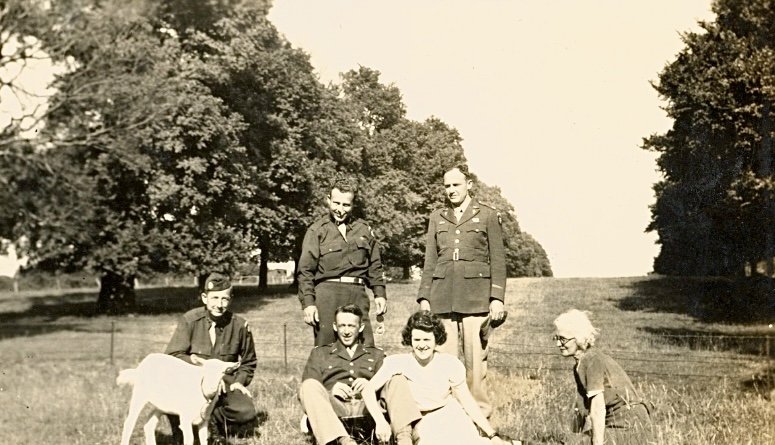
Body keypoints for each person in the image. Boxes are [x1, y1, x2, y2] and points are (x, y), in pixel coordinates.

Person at [417, 164, 507, 417]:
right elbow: (430, 260)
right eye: (447, 186)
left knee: (474, 363)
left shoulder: (488, 215)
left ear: (469, 184)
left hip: (475, 298)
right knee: (443, 361)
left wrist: (496, 298)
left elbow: (498, 261)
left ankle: (479, 417)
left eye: (456, 185)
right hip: (442, 297)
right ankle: (444, 413)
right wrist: (425, 297)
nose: (451, 190)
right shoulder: (437, 217)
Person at [362, 311, 513, 445]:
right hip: (422, 421)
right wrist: (380, 421)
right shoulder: (398, 362)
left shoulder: (449, 363)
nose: (421, 346)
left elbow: (467, 402)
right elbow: (367, 390)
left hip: (450, 414)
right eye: (417, 340)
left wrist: (492, 434)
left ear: (436, 340)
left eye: (427, 340)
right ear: (410, 340)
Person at [299, 304, 420, 445]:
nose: (346, 331)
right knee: (308, 385)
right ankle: (344, 441)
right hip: (335, 412)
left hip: (368, 411)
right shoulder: (320, 353)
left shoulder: (376, 354)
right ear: (334, 326)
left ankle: (404, 439)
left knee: (397, 379)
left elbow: (388, 390)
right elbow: (306, 392)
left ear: (361, 327)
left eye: (351, 326)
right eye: (342, 325)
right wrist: (330, 391)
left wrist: (371, 386)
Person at [165, 272, 257, 444]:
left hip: (225, 383)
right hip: (191, 382)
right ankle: (183, 429)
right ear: (204, 298)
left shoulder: (239, 325)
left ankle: (212, 423)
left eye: (224, 299)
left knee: (245, 412)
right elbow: (172, 355)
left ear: (230, 300)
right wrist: (204, 373)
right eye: (214, 298)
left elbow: (248, 362)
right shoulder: (190, 320)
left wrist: (239, 382)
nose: (219, 305)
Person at [298, 176, 388, 347]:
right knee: (326, 351)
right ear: (328, 200)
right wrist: (308, 304)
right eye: (336, 203)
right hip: (327, 296)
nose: (340, 209)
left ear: (353, 204)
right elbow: (305, 271)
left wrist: (380, 293)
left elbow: (375, 266)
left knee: (365, 350)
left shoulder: (364, 229)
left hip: (357, 295)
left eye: (346, 205)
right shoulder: (316, 231)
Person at [553, 309, 653, 445]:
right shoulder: (580, 364)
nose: (558, 344)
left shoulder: (592, 360)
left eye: (563, 339)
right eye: (557, 338)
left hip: (630, 427)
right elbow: (581, 409)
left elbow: (598, 408)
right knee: (565, 440)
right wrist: (573, 438)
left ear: (579, 338)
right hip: (619, 425)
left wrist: (596, 443)